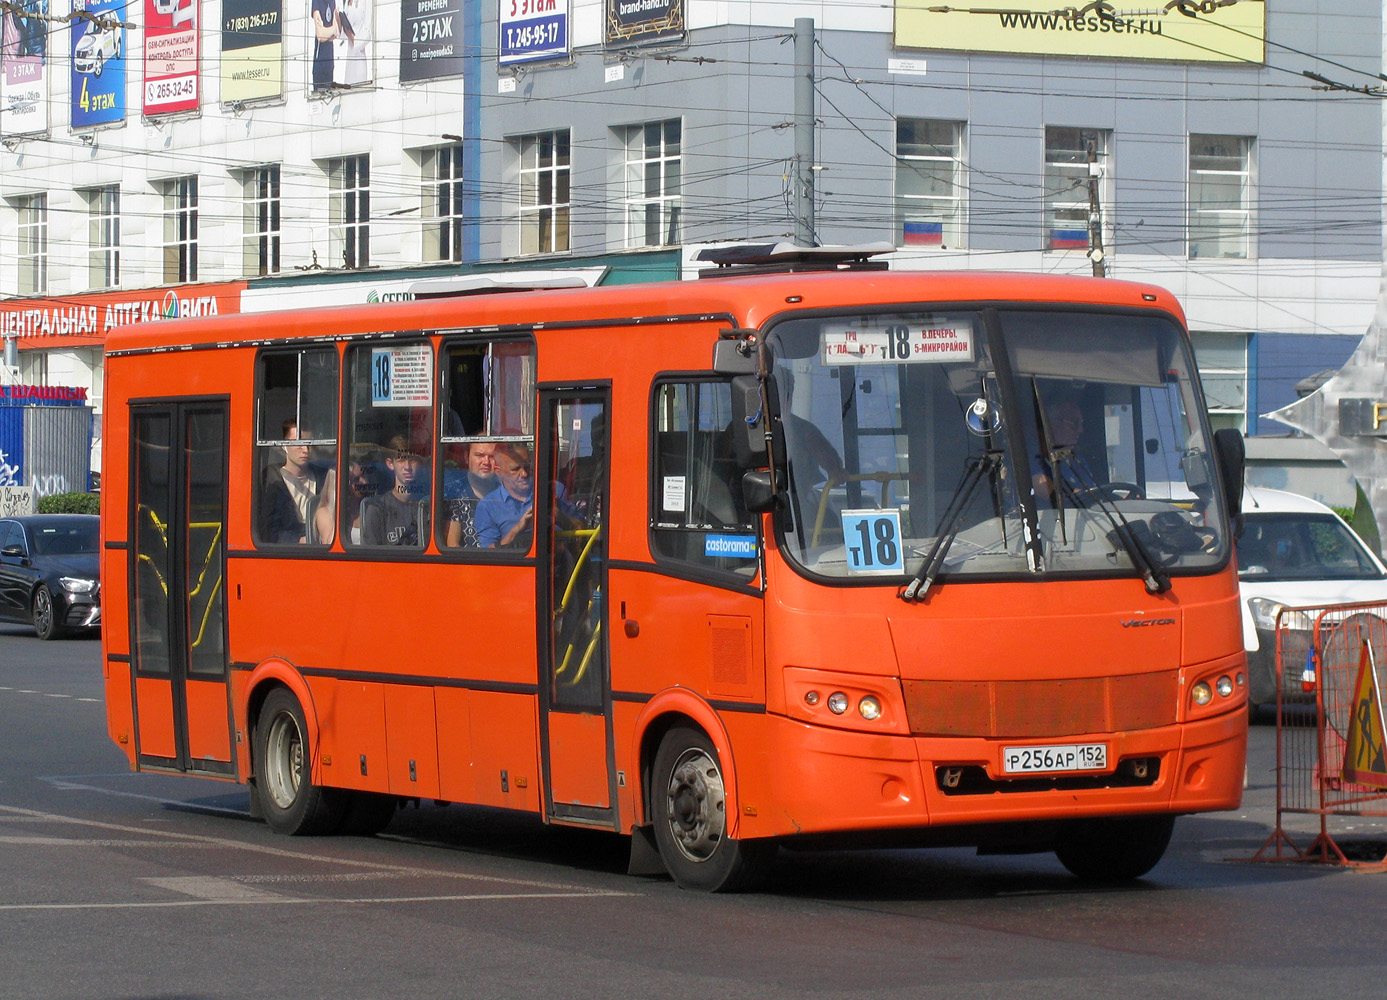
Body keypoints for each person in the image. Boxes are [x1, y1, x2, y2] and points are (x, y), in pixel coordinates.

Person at [259, 419, 327, 544]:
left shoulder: (323, 477)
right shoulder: (271, 481)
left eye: (309, 443)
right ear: (284, 446)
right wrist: (297, 540)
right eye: (299, 444)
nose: (306, 450)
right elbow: (267, 531)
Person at [359, 435, 428, 546]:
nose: (407, 466)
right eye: (401, 459)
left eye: (413, 459)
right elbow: (371, 557)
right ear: (390, 464)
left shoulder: (428, 507)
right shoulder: (377, 509)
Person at [475, 442, 535, 549]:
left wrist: (560, 517)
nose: (524, 474)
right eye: (515, 469)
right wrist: (518, 528)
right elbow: (488, 555)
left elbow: (575, 525)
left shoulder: (551, 491)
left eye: (527, 466)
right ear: (499, 472)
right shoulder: (488, 506)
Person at [314, 455, 379, 546]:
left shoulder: (368, 507)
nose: (364, 482)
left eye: (363, 476)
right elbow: (330, 545)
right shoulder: (324, 512)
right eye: (356, 480)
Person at [445, 442, 499, 548]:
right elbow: (452, 545)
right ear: (466, 457)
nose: (486, 462)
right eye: (479, 455)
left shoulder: (507, 491)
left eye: (492, 456)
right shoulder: (452, 493)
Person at [311, 0, 337, 91]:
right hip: (320, 60)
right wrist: (332, 30)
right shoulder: (317, 2)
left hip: (330, 59)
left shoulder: (332, 2)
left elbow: (336, 33)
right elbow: (321, 35)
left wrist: (329, 31)